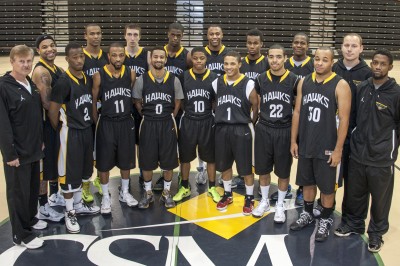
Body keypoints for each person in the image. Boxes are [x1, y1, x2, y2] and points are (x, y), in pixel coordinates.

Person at [335, 49, 400, 253]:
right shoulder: (363, 87)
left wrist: (390, 148)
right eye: (375, 63)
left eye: (383, 64)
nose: (378, 67)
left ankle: (376, 233)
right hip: (358, 152)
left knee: (380, 199)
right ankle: (353, 224)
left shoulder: (396, 94)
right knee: (355, 193)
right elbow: (352, 117)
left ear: (390, 67)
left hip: (381, 157)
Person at [289, 47, 351, 242]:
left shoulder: (341, 85)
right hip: (307, 141)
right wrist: (293, 140)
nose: (319, 63)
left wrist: (338, 149)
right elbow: (297, 112)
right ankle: (307, 213)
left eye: (325, 60)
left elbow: (344, 119)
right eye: (317, 59)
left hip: (327, 144)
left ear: (332, 62)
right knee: (307, 182)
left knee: (326, 187)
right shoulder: (303, 82)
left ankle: (325, 218)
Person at [49, 43, 100, 234]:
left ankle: (78, 205)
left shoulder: (86, 79)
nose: (79, 60)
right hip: (71, 133)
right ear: (67, 59)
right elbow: (53, 113)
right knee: (69, 175)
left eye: (81, 56)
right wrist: (62, 130)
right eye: (75, 57)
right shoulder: (63, 82)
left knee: (84, 171)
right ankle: (69, 211)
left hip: (86, 131)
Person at [0, 45, 46, 249]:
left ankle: (30, 220)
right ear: (12, 62)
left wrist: (41, 140)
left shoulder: (30, 84)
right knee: (18, 193)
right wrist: (9, 153)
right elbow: (2, 124)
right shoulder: (4, 86)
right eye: (21, 61)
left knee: (31, 189)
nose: (26, 65)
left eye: (29, 61)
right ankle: (20, 234)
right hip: (17, 152)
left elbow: (36, 115)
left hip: (33, 148)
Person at [132, 47, 184, 209]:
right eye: (155, 57)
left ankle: (166, 193)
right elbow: (136, 100)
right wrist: (144, 113)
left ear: (165, 60)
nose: (158, 60)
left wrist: (171, 115)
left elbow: (177, 101)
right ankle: (148, 193)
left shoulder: (173, 79)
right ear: (151, 59)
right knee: (147, 161)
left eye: (161, 57)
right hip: (148, 123)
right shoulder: (142, 79)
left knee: (168, 161)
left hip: (167, 123)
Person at [252, 44, 298, 223]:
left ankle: (279, 204)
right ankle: (264, 201)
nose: (274, 60)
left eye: (278, 57)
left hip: (284, 129)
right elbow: (257, 103)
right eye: (271, 56)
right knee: (263, 169)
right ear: (267, 58)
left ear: (285, 58)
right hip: (264, 128)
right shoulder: (260, 79)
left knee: (283, 171)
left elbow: (298, 108)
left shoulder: (294, 80)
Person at [92, 42, 138, 215]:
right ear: (108, 56)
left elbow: (132, 97)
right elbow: (94, 101)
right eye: (114, 55)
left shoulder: (131, 73)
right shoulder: (99, 75)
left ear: (124, 56)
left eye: (121, 55)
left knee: (126, 160)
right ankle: (105, 196)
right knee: (104, 163)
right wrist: (98, 122)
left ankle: (124, 192)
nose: (118, 58)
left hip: (125, 122)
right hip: (107, 122)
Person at [331, 33, 372, 223]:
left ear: (361, 49)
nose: (349, 49)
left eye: (354, 46)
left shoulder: (367, 74)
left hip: (355, 136)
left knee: (353, 181)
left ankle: (350, 218)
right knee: (329, 174)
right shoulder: (333, 68)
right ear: (341, 47)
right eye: (346, 45)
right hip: (331, 133)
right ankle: (326, 209)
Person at [213, 51, 259, 215]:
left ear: (240, 64)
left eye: (233, 63)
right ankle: (227, 194)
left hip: (242, 129)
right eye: (226, 63)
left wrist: (248, 124)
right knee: (224, 165)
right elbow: (214, 103)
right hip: (222, 129)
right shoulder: (216, 82)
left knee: (246, 168)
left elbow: (255, 106)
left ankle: (249, 197)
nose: (229, 67)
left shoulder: (248, 84)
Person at [172, 47, 220, 203]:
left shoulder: (214, 77)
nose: (199, 61)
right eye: (195, 58)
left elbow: (215, 100)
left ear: (206, 59)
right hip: (189, 121)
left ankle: (212, 187)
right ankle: (185, 187)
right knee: (185, 158)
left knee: (211, 157)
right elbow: (180, 100)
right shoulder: (183, 76)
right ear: (191, 59)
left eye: (202, 58)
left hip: (207, 120)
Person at [275, 32, 314, 206]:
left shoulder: (313, 64)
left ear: (307, 45)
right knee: (285, 154)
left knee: (304, 155)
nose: (299, 45)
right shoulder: (285, 63)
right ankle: (285, 187)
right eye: (296, 42)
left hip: (305, 116)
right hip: (286, 115)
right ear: (292, 44)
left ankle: (301, 189)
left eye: (302, 43)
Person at [31, 34, 65, 223]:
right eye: (45, 47)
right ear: (38, 50)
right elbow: (46, 103)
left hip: (56, 121)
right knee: (45, 166)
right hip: (46, 123)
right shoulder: (41, 72)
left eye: (52, 45)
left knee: (55, 161)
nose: (50, 49)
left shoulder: (57, 69)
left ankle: (54, 195)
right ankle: (42, 206)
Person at [82, 23, 109, 201]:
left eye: (98, 33)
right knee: (85, 148)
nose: (95, 37)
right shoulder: (80, 56)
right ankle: (85, 185)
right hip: (83, 106)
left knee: (101, 147)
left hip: (102, 107)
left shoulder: (106, 56)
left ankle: (99, 179)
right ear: (85, 36)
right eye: (92, 34)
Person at [123, 23, 148, 187]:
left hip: (139, 103)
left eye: (135, 35)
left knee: (141, 142)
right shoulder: (118, 54)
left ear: (139, 36)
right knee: (125, 142)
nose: (132, 38)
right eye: (129, 34)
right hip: (123, 104)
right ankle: (125, 177)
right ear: (125, 35)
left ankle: (141, 172)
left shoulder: (146, 54)